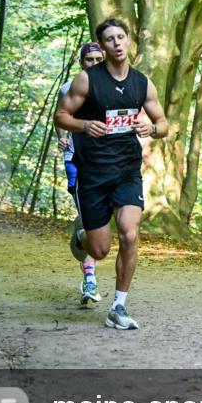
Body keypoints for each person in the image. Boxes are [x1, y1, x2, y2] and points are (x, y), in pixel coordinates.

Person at [54, 18, 169, 330]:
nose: (116, 43)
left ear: (128, 41)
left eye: (121, 37)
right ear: (101, 46)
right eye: (109, 39)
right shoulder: (87, 80)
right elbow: (62, 115)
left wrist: (153, 128)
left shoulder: (142, 83)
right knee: (100, 249)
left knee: (130, 234)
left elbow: (165, 124)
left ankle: (118, 306)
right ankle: (82, 238)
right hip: (92, 174)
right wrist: (84, 125)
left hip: (126, 171)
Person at [57, 41, 105, 306]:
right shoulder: (68, 89)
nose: (95, 65)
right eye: (90, 61)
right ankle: (90, 279)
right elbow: (60, 117)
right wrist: (63, 138)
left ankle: (79, 236)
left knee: (101, 223)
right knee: (91, 221)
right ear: (81, 63)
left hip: (108, 164)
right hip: (77, 162)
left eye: (100, 60)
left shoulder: (114, 89)